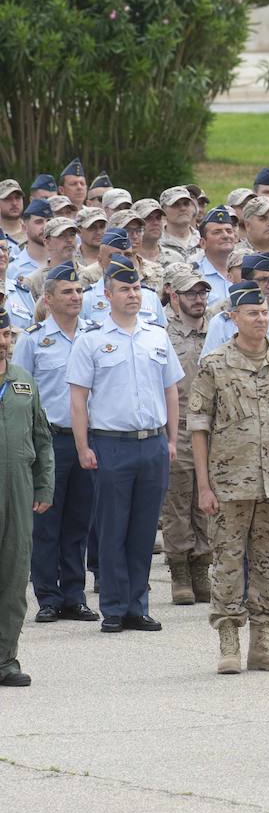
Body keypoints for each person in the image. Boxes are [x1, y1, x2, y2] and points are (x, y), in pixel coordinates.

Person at [188, 281, 269, 675]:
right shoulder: (215, 364)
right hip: (229, 481)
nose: (261, 318)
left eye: (264, 312)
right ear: (233, 318)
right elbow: (199, 427)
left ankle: (263, 641)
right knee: (226, 561)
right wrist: (204, 485)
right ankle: (228, 639)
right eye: (252, 312)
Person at [68, 255, 184, 633]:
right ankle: (114, 607)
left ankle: (138, 604)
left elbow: (171, 391)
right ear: (107, 295)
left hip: (151, 444)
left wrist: (171, 439)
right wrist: (83, 446)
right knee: (113, 528)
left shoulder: (156, 335)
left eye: (136, 288)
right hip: (111, 443)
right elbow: (78, 398)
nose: (133, 295)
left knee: (144, 529)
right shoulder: (92, 340)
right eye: (124, 289)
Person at [14, 265, 98, 626]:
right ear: (47, 299)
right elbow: (21, 393)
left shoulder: (94, 336)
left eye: (79, 291)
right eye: (67, 292)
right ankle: (48, 596)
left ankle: (74, 595)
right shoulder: (34, 339)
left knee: (80, 521)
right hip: (49, 441)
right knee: (46, 520)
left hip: (88, 440)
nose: (76, 297)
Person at [0, 305, 55, 686]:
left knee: (14, 573)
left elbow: (42, 438)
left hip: (18, 489)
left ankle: (5, 660)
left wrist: (44, 484)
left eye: (6, 335)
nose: (4, 342)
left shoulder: (23, 381)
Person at [159, 270, 214, 604]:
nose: (198, 299)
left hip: (210, 428)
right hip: (178, 427)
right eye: (190, 293)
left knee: (206, 501)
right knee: (177, 503)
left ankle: (202, 568)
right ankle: (180, 571)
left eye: (202, 293)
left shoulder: (218, 331)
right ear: (174, 296)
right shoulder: (163, 333)